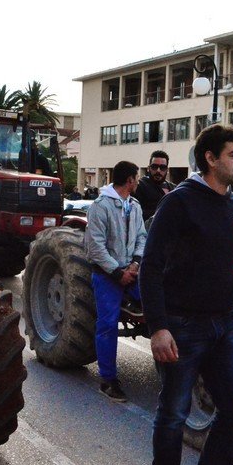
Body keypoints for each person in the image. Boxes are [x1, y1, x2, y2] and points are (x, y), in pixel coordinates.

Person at [140, 124, 233, 465]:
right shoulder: (180, 203)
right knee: (173, 414)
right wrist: (158, 327)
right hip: (182, 326)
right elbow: (150, 267)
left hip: (227, 323)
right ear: (210, 158)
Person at [84, 160, 146, 402]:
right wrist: (118, 273)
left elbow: (142, 236)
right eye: (136, 177)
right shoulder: (100, 207)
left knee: (158, 303)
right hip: (107, 275)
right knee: (107, 324)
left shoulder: (135, 206)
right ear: (130, 180)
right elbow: (95, 248)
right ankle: (108, 380)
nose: (138, 181)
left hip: (132, 272)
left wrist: (135, 264)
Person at [134, 150, 176, 221]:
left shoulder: (174, 188)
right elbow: (135, 213)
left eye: (162, 167)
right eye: (154, 167)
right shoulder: (139, 186)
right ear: (148, 168)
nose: (158, 170)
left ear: (167, 170)